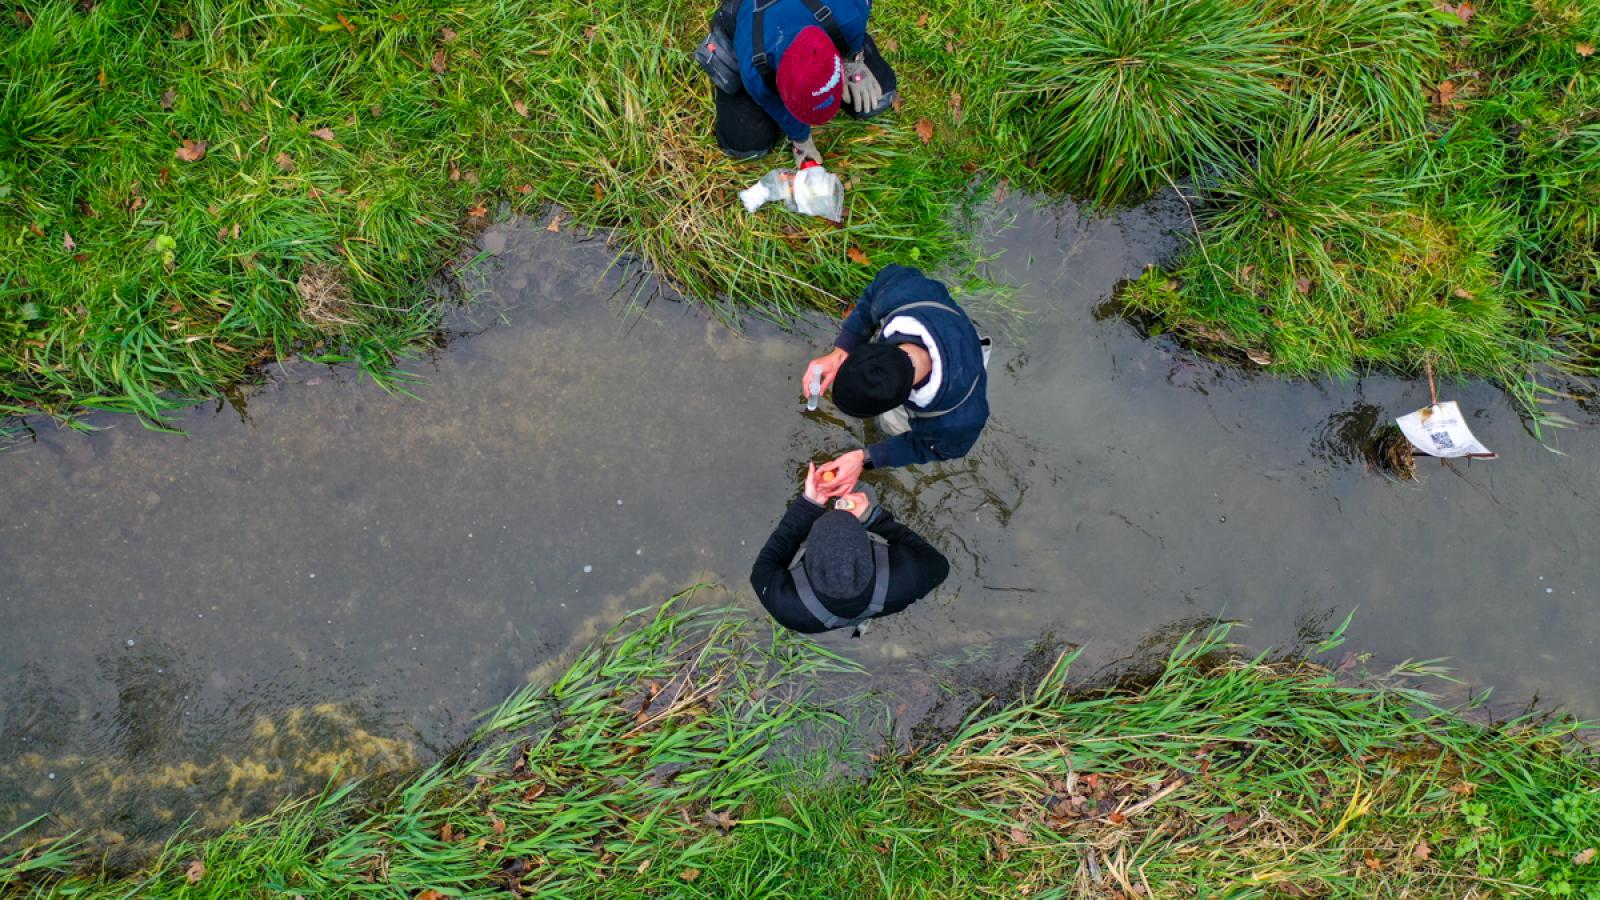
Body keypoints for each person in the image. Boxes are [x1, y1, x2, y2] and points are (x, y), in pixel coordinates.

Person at [803, 265, 991, 495]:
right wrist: (842, 349)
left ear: (898, 402)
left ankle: (886, 431)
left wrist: (868, 458)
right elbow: (877, 288)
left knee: (892, 427)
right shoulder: (900, 296)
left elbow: (946, 448)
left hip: (968, 366)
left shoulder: (956, 419)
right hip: (947, 326)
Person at [750, 463, 949, 634]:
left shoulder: (786, 607)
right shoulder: (908, 577)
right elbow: (940, 564)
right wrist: (873, 518)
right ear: (869, 550)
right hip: (883, 596)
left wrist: (809, 505)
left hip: (814, 616)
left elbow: (767, 562)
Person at [703, 0, 897, 164]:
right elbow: (772, 101)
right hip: (747, 13)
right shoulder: (755, 64)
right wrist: (800, 137)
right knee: (745, 143)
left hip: (827, 15)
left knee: (880, 96)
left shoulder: (850, 12)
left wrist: (855, 60)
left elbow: (860, 17)